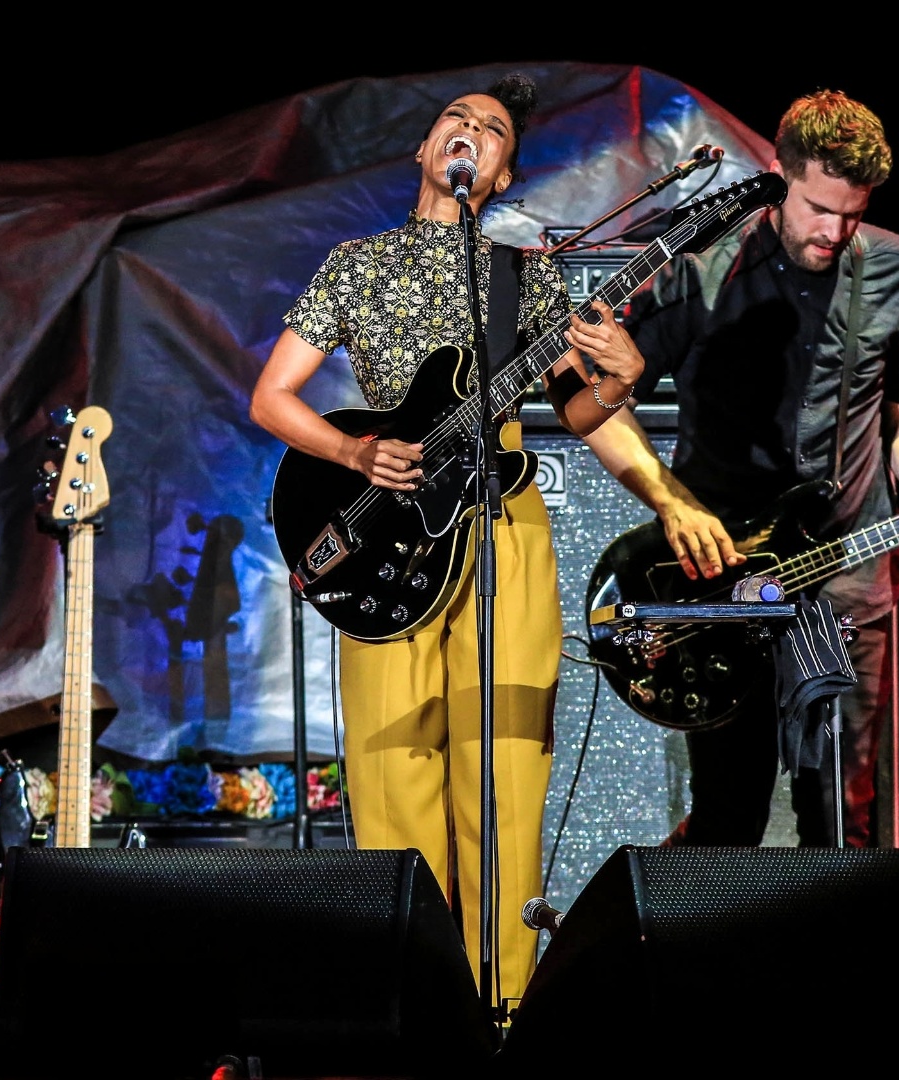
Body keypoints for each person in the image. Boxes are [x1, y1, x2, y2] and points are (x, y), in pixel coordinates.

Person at [249, 73, 644, 1008]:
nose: (470, 133)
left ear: (501, 174)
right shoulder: (357, 264)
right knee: (393, 785)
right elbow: (272, 396)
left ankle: (503, 1012)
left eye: (493, 130)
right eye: (454, 123)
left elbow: (576, 409)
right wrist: (353, 448)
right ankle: (417, 1009)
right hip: (390, 537)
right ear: (426, 153)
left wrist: (619, 382)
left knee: (503, 777)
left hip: (501, 528)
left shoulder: (522, 275)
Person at [583, 89, 899, 847]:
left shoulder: (898, 268)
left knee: (841, 815)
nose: (835, 232)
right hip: (727, 578)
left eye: (853, 213)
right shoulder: (704, 267)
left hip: (841, 578)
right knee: (728, 813)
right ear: (776, 176)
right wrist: (670, 501)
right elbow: (588, 395)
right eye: (818, 208)